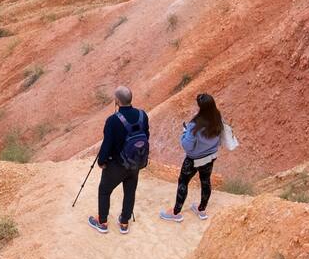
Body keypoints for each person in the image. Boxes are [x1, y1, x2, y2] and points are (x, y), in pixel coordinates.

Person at [88, 86, 150, 234]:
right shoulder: (143, 115)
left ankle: (102, 222)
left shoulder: (113, 120)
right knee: (130, 191)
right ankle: (124, 223)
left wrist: (101, 161)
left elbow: (107, 143)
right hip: (135, 162)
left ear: (117, 101)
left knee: (104, 190)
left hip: (116, 164)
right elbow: (146, 136)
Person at [160, 93, 227, 222]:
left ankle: (175, 213)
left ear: (200, 107)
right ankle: (201, 210)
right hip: (210, 157)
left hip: (193, 159)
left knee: (183, 182)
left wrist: (184, 132)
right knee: (205, 181)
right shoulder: (218, 119)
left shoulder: (194, 125)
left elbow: (187, 146)